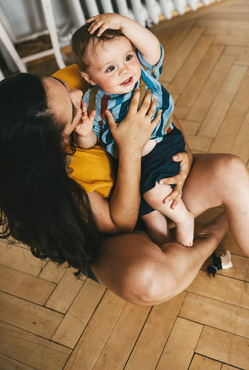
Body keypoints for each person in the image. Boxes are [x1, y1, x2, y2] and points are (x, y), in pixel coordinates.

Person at [1, 72, 249, 307]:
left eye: (62, 85)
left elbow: (156, 108)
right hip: (116, 237)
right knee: (148, 281)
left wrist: (186, 158)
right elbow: (122, 223)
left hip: (155, 190)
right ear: (59, 144)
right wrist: (130, 147)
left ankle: (189, 234)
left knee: (232, 171)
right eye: (75, 110)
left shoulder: (75, 82)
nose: (78, 93)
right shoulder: (53, 183)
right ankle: (214, 232)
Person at [71, 13, 194, 247]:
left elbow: (153, 48)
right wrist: (84, 132)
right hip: (130, 162)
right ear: (90, 78)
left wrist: (124, 24)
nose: (124, 70)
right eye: (110, 68)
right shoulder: (94, 100)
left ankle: (184, 221)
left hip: (161, 145)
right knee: (147, 213)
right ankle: (167, 247)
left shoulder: (143, 75)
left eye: (128, 57)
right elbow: (90, 142)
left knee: (153, 194)